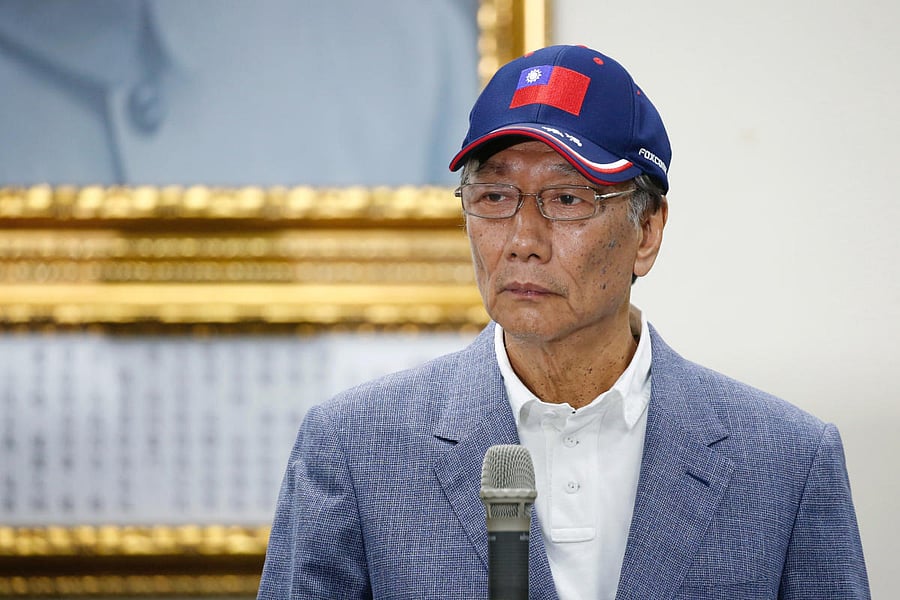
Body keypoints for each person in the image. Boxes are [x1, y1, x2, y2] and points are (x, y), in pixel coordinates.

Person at [257, 45, 870, 599]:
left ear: (647, 231)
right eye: (494, 198)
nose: (522, 241)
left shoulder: (784, 459)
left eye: (567, 199)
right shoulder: (356, 446)